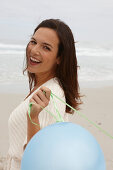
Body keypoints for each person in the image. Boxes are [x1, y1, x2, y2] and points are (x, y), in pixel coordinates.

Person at [5, 19, 82, 170]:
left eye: (46, 47)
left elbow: (39, 159)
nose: (34, 50)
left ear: (59, 58)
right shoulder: (44, 86)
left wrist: (32, 118)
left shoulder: (51, 95)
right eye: (33, 42)